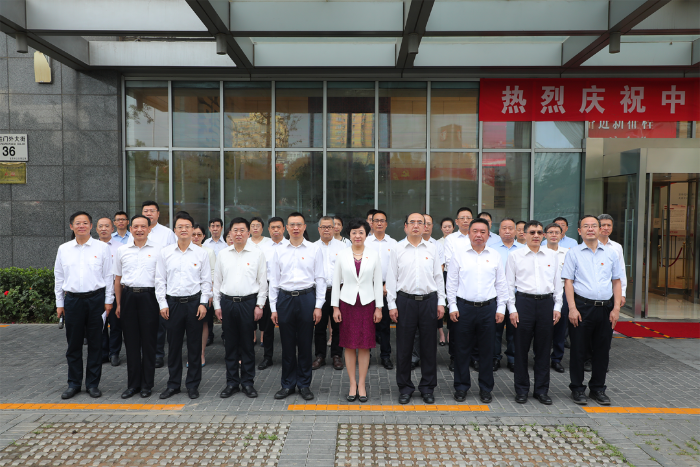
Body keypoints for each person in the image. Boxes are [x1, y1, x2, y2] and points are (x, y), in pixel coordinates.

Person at [562, 215, 622, 406]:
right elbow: (568, 282)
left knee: (602, 351)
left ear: (599, 229)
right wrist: (572, 308)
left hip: (605, 308)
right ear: (579, 231)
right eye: (586, 226)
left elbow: (617, 281)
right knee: (578, 350)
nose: (590, 229)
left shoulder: (611, 253)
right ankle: (577, 388)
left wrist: (616, 308)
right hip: (582, 308)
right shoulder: (573, 253)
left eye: (594, 226)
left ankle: (598, 388)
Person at [446, 218, 508, 403]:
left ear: (488, 235)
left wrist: (501, 308)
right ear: (469, 234)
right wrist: (452, 306)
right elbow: (451, 283)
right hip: (464, 308)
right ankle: (461, 387)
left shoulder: (495, 255)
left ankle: (486, 388)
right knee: (462, 350)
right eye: (475, 231)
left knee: (487, 351)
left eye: (483, 232)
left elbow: (501, 283)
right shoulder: (459, 255)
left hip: (488, 308)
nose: (478, 235)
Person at [387, 213, 446, 405]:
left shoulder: (432, 248)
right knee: (404, 347)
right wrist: (392, 304)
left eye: (420, 222)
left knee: (429, 347)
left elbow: (438, 277)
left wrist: (441, 302)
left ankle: (427, 387)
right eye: (412, 222)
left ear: (425, 227)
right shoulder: (397, 249)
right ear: (405, 226)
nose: (416, 225)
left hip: (429, 301)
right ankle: (405, 388)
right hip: (405, 301)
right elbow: (391, 278)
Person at [54, 211, 114, 399]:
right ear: (71, 226)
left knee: (96, 344)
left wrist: (108, 301)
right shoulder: (64, 249)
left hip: (96, 300)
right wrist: (59, 303)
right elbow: (58, 277)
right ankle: (73, 383)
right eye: (78, 223)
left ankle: (92, 384)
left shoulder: (101, 248)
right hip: (72, 301)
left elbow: (109, 276)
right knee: (74, 345)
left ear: (91, 226)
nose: (81, 226)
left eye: (85, 223)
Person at [155, 212, 212, 400]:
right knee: (174, 347)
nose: (184, 230)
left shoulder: (201, 253)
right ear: (175, 230)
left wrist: (203, 303)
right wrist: (162, 304)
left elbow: (206, 281)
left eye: (187, 226)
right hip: (172, 304)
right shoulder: (165, 253)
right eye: (180, 227)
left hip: (194, 304)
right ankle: (173, 384)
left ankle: (193, 385)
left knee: (194, 347)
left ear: (192, 229)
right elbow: (160, 280)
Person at [269, 212, 325, 401]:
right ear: (287, 227)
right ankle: (287, 384)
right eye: (292, 224)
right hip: (285, 299)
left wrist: (318, 306)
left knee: (305, 343)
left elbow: (320, 279)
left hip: (306, 298)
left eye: (299, 224)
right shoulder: (279, 250)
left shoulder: (314, 249)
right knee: (287, 345)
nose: (295, 228)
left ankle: (304, 384)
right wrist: (273, 308)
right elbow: (274, 281)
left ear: (304, 227)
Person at [506, 220, 563, 405]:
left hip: (546, 303)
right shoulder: (515, 256)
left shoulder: (551, 256)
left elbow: (557, 284)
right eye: (532, 232)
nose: (536, 235)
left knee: (544, 350)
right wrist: (512, 309)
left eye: (539, 232)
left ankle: (541, 390)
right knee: (521, 349)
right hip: (524, 303)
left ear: (543, 235)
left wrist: (557, 307)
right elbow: (509, 285)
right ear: (524, 234)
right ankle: (521, 390)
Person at [214, 217, 268, 399]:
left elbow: (263, 282)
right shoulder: (223, 254)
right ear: (229, 233)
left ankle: (247, 382)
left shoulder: (257, 254)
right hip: (227, 303)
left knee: (247, 345)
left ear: (248, 233)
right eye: (235, 230)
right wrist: (217, 305)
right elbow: (217, 282)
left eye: (242, 230)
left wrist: (260, 305)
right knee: (230, 345)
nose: (238, 234)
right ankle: (231, 383)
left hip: (248, 304)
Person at [332, 219, 383, 402]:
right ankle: (352, 384)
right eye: (354, 232)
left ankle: (362, 384)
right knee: (348, 344)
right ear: (349, 235)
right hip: (347, 304)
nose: (357, 236)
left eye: (361, 232)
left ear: (366, 234)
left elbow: (378, 282)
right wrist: (335, 307)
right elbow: (336, 282)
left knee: (364, 345)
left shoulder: (374, 255)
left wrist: (379, 308)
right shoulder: (342, 255)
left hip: (367, 304)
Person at [113, 215, 161, 399]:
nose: (139, 230)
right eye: (136, 226)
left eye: (143, 226)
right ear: (130, 229)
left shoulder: (159, 250)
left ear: (149, 229)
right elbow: (118, 279)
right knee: (131, 343)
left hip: (150, 297)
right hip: (129, 297)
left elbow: (162, 279)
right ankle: (133, 385)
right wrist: (119, 303)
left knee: (149, 343)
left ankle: (147, 385)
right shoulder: (122, 250)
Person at [141, 201, 178, 370]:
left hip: (160, 285)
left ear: (158, 214)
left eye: (152, 211)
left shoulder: (167, 233)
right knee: (143, 323)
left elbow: (172, 257)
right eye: (145, 211)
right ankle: (144, 353)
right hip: (142, 284)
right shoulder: (136, 231)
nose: (148, 213)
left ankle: (158, 354)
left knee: (159, 323)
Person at [252, 216, 289, 371]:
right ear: (268, 230)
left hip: (286, 290)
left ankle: (288, 357)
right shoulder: (263, 248)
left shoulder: (290, 246)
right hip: (267, 288)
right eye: (272, 227)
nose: (276, 230)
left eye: (278, 227)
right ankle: (268, 357)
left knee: (287, 326)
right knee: (267, 326)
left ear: (284, 229)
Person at [444, 207, 477, 371]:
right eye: (462, 218)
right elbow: (449, 262)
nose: (465, 220)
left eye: (468, 217)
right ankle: (455, 357)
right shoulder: (451, 239)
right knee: (456, 326)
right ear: (456, 221)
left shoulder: (478, 237)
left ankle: (474, 357)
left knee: (475, 326)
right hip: (457, 287)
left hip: (476, 286)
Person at [410, 214, 445, 368]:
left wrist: (441, 300)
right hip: (410, 296)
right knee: (413, 332)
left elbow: (439, 273)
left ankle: (427, 360)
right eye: (415, 222)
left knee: (428, 331)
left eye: (426, 223)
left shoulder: (435, 246)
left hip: (429, 294)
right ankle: (414, 356)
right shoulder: (403, 246)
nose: (422, 226)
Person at [313, 216, 347, 371]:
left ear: (334, 229)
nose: (326, 230)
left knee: (338, 324)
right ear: (319, 229)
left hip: (338, 290)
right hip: (319, 291)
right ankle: (320, 356)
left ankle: (336, 355)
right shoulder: (312, 247)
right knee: (319, 325)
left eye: (329, 227)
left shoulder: (343, 247)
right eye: (323, 227)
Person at [364, 209, 398, 370]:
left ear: (386, 224)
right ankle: (367, 355)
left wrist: (387, 285)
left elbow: (395, 268)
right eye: (376, 220)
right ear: (371, 223)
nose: (379, 223)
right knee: (367, 324)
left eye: (382, 221)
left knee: (384, 324)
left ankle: (385, 356)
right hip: (367, 287)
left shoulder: (393, 243)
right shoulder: (364, 242)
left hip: (386, 287)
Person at [491, 218, 522, 372]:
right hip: (496, 296)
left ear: (515, 231)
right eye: (504, 228)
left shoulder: (523, 249)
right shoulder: (491, 249)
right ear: (499, 231)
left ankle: (513, 359)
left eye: (510, 228)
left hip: (518, 296)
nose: (507, 231)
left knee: (514, 329)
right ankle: (495, 358)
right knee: (495, 330)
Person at [96, 217, 123, 366]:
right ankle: (103, 353)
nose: (104, 229)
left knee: (115, 324)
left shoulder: (120, 247)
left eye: (107, 226)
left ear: (112, 229)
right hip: (97, 291)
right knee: (99, 323)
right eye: (101, 226)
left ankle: (114, 353)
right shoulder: (92, 247)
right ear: (96, 229)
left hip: (115, 288)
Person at [545, 222, 570, 374]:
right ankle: (541, 357)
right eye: (551, 232)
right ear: (545, 235)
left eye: (557, 232)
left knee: (560, 328)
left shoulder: (568, 253)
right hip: (544, 295)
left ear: (561, 235)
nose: (554, 235)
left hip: (563, 294)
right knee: (543, 328)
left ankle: (557, 359)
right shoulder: (539, 252)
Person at [191, 224, 216, 367]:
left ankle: (201, 353)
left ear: (204, 236)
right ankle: (192, 354)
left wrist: (210, 293)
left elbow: (212, 272)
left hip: (204, 292)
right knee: (190, 324)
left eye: (199, 235)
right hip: (189, 293)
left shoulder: (208, 251)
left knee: (203, 322)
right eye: (193, 234)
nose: (196, 237)